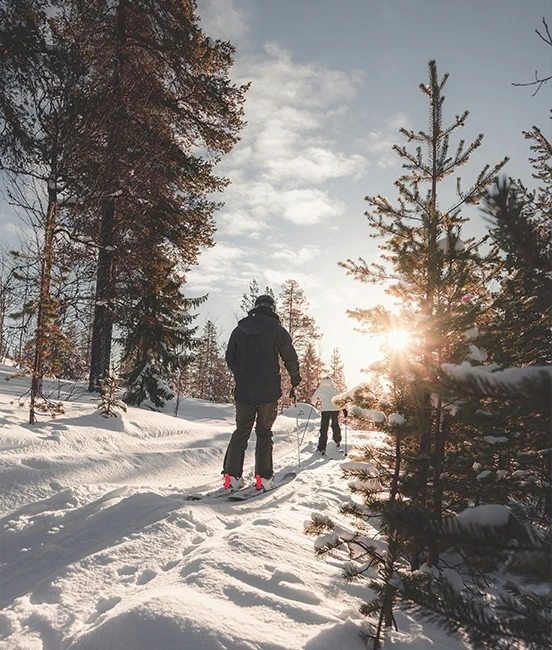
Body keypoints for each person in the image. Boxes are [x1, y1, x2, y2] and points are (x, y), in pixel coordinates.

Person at [223, 294, 301, 492]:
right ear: (272, 309)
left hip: (244, 392)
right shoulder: (277, 331)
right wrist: (295, 379)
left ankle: (232, 477)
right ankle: (263, 478)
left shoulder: (239, 330)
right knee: (264, 433)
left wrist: (241, 374)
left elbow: (230, 358)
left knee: (241, 431)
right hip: (268, 392)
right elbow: (290, 357)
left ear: (255, 307)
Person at [311, 376, 342, 455]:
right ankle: (337, 440)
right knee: (335, 424)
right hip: (335, 409)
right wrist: (344, 408)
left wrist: (314, 403)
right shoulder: (334, 389)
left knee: (324, 428)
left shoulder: (320, 389)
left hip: (326, 410)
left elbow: (313, 399)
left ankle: (322, 447)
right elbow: (341, 398)